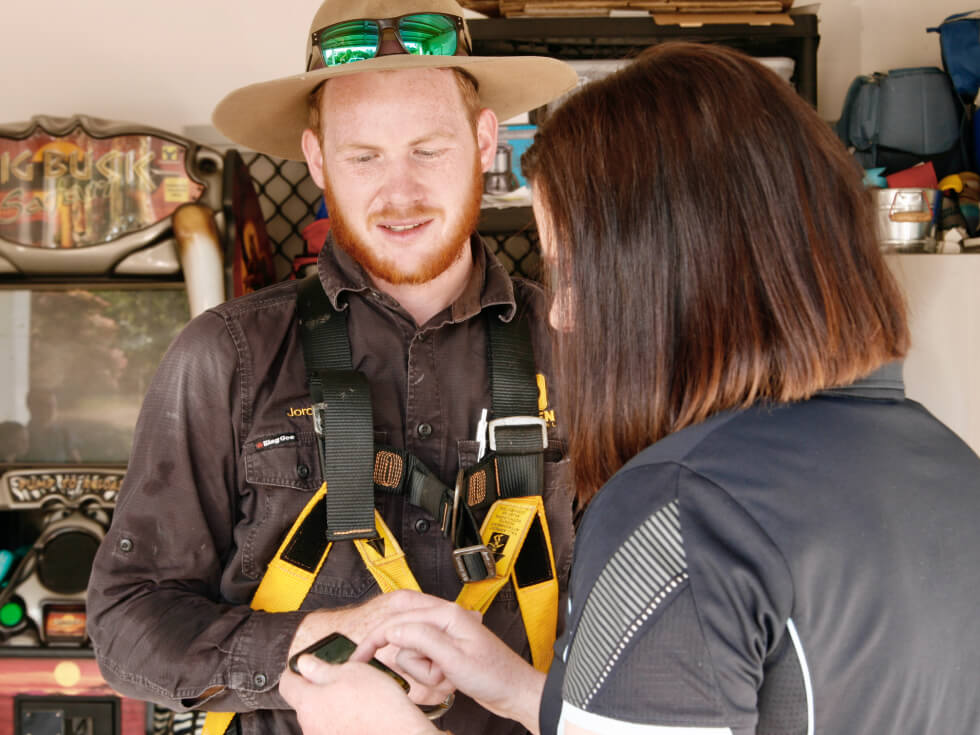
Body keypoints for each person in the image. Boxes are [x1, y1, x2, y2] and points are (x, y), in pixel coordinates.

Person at [278, 42, 980, 734]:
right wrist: (523, 690)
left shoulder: (681, 511)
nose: (559, 311)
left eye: (571, 269)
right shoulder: (949, 470)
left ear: (666, 271)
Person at [85, 2, 579, 734]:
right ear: (317, 159)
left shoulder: (577, 348)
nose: (400, 192)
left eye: (429, 149)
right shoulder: (225, 357)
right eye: (364, 156)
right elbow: (125, 623)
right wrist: (315, 645)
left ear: (483, 141)